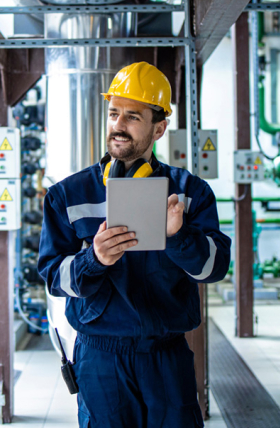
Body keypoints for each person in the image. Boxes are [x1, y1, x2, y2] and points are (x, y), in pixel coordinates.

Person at [38, 61, 231, 428]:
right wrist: (93, 259)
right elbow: (53, 278)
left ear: (158, 128)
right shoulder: (68, 195)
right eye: (114, 113)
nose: (118, 125)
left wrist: (178, 236)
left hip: (167, 355)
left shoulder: (189, 194)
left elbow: (214, 269)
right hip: (100, 356)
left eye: (132, 116)